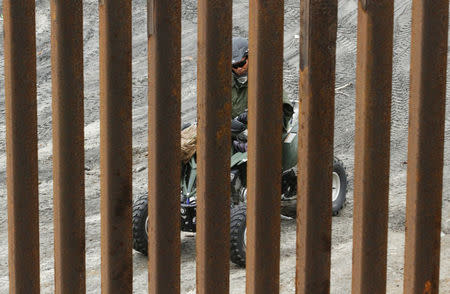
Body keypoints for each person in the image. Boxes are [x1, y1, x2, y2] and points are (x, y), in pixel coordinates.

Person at [231, 37, 294, 152]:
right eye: (235, 66)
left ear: (250, 58)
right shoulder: (225, 84)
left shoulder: (265, 79)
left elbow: (282, 113)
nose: (239, 69)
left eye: (242, 63)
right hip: (235, 137)